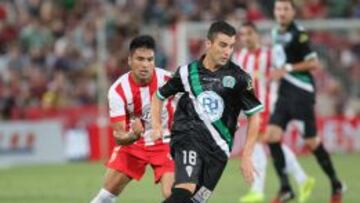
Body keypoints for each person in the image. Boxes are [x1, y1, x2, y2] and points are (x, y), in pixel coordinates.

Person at [151, 21, 262, 203]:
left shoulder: (239, 78)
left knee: (194, 201)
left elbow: (254, 115)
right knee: (184, 190)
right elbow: (158, 96)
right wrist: (156, 126)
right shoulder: (187, 72)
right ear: (209, 43)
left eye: (231, 46)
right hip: (188, 137)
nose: (227, 51)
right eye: (223, 45)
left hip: (219, 150)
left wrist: (247, 155)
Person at [267, 1, 345, 203]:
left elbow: (314, 62)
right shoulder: (275, 32)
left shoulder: (299, 34)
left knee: (311, 142)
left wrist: (287, 69)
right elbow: (279, 59)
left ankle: (336, 184)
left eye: (286, 9)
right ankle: (285, 188)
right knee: (272, 136)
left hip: (301, 92)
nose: (281, 13)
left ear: (293, 12)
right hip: (284, 93)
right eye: (278, 9)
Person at [233, 21, 315, 203]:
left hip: (270, 106)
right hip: (252, 109)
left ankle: (258, 191)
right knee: (269, 145)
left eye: (249, 34)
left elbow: (286, 73)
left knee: (256, 145)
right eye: (243, 35)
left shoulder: (270, 54)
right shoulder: (240, 57)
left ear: (257, 35)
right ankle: (302, 179)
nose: (246, 38)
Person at [90, 35, 175, 203]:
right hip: (134, 144)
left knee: (172, 195)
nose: (145, 65)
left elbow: (195, 103)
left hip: (166, 141)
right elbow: (119, 136)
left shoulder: (169, 80)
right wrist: (132, 136)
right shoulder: (118, 90)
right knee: (105, 197)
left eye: (150, 59)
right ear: (130, 60)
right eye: (140, 59)